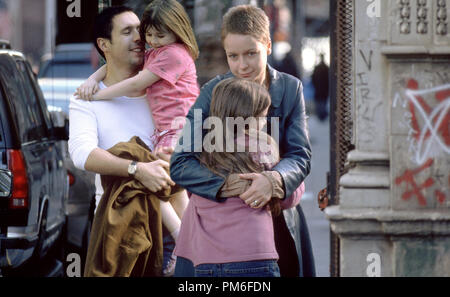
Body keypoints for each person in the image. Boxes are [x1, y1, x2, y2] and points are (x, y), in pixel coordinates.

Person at [170, 5, 315, 277]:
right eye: (233, 56)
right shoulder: (213, 91)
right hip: (216, 230)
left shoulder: (289, 88)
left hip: (276, 216)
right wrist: (228, 185)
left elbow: (300, 155)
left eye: (251, 53)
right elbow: (180, 163)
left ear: (268, 46)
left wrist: (272, 181)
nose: (242, 65)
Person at [75, 0, 200, 276]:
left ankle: (187, 238)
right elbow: (82, 154)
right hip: (123, 227)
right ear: (104, 44)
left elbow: (135, 82)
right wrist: (136, 170)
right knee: (137, 156)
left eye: (139, 30)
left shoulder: (160, 63)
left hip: (169, 234)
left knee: (164, 176)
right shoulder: (86, 101)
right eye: (128, 31)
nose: (141, 38)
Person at [174, 77, 306, 277]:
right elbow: (290, 197)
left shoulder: (200, 152)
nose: (264, 123)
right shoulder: (263, 147)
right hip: (254, 254)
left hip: (206, 260)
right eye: (262, 116)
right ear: (248, 117)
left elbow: (194, 194)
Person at [311, 53, 329, 122]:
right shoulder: (326, 67)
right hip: (324, 90)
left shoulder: (317, 68)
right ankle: (322, 115)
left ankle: (320, 115)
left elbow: (313, 78)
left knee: (320, 102)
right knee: (323, 102)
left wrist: (315, 85)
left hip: (318, 89)